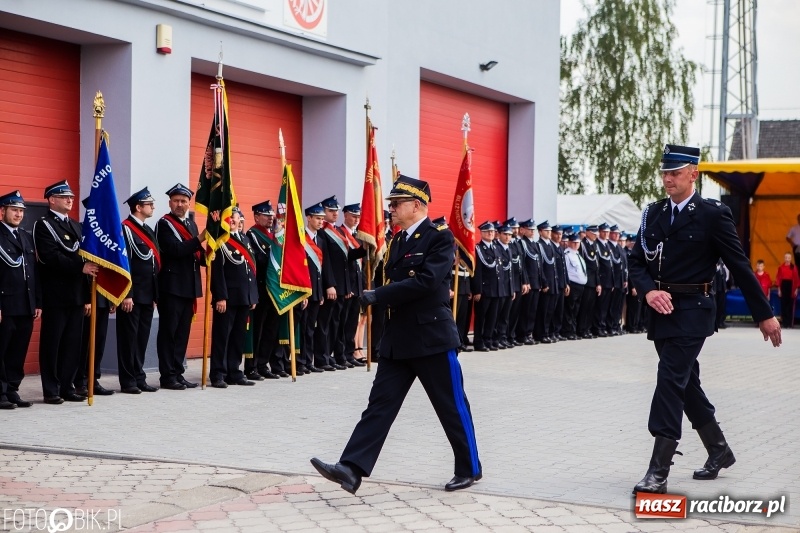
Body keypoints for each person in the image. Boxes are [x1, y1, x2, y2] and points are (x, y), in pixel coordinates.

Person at [310, 175, 481, 494]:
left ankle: (469, 467)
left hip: (431, 337)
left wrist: (379, 295)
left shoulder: (440, 237)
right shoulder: (399, 241)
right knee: (379, 405)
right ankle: (351, 468)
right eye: (390, 204)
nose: (390, 209)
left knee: (451, 405)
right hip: (399, 339)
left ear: (416, 206)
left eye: (396, 204)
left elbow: (428, 282)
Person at [628, 144, 781, 495]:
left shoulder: (712, 214)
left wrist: (764, 315)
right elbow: (636, 262)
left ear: (693, 174)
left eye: (675, 173)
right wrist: (649, 291)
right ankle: (718, 449)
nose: (668, 179)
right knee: (685, 383)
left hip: (694, 310)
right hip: (660, 311)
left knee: (669, 379)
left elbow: (740, 266)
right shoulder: (652, 214)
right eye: (664, 173)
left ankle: (658, 469)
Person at [34, 180, 99, 404]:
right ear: (52, 200)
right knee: (53, 343)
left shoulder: (76, 225)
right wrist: (79, 267)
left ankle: (66, 386)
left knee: (73, 343)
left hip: (76, 295)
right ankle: (51, 389)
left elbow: (85, 258)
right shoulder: (43, 225)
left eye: (70, 197)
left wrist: (86, 295)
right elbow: (50, 256)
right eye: (64, 197)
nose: (70, 200)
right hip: (56, 294)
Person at [155, 184, 206, 390]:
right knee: (169, 332)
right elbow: (175, 250)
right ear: (170, 203)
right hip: (172, 287)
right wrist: (199, 240)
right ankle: (167, 376)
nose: (180, 204)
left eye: (184, 201)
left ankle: (178, 372)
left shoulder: (191, 225)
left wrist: (206, 256)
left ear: (188, 204)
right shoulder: (164, 224)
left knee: (182, 333)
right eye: (176, 201)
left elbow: (194, 252)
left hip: (189, 286)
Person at [209, 207, 259, 387]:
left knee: (239, 336)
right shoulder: (220, 240)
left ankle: (234, 371)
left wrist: (252, 296)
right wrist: (220, 297)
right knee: (222, 336)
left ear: (241, 220)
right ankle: (218, 374)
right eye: (228, 217)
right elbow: (217, 271)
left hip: (244, 297)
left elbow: (251, 271)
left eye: (235, 217)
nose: (231, 220)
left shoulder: (245, 239)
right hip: (228, 298)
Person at [117, 187, 160, 394]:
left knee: (142, 337)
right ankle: (128, 380)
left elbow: (152, 265)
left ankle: (138, 375)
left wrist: (155, 294)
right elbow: (125, 264)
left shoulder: (147, 229)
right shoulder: (125, 228)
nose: (153, 207)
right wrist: (127, 293)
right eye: (149, 204)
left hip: (147, 294)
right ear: (138, 207)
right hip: (132, 295)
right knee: (129, 338)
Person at [0, 191, 40, 409]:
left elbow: (34, 272)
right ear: (3, 211)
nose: (18, 214)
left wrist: (38, 302)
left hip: (26, 303)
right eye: (14, 210)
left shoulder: (25, 236)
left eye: (21, 211)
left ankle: (12, 389)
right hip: (6, 304)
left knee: (18, 349)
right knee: (2, 349)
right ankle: (0, 392)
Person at [245, 200, 282, 379]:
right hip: (260, 288)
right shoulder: (252, 234)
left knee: (270, 329)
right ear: (256, 216)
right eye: (266, 215)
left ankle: (263, 364)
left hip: (274, 290)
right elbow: (259, 258)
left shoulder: (274, 236)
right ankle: (251, 366)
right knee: (257, 329)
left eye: (271, 215)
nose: (270, 218)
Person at [562, 233, 587, 340]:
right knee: (569, 309)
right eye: (574, 243)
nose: (576, 245)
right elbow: (565, 271)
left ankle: (573, 330)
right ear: (569, 243)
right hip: (572, 285)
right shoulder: (567, 254)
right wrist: (566, 284)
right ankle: (567, 331)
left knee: (576, 309)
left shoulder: (578, 254)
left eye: (578, 243)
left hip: (580, 286)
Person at [775, 252, 800, 328]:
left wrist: (796, 289)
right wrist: (779, 289)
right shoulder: (781, 267)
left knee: (790, 305)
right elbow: (778, 278)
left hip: (791, 287)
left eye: (789, 258)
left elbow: (796, 279)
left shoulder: (794, 267)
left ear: (791, 258)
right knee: (783, 305)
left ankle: (790, 323)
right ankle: (785, 323)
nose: (787, 259)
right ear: (784, 258)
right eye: (786, 257)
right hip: (783, 286)